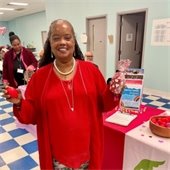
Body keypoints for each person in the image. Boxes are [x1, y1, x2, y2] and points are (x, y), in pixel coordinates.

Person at [2, 19, 124, 169]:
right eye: (56, 38)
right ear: (50, 43)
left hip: (88, 154)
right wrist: (20, 102)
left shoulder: (91, 71)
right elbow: (31, 116)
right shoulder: (40, 77)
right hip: (56, 159)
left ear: (74, 41)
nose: (62, 42)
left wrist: (115, 92)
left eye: (67, 37)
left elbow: (104, 104)